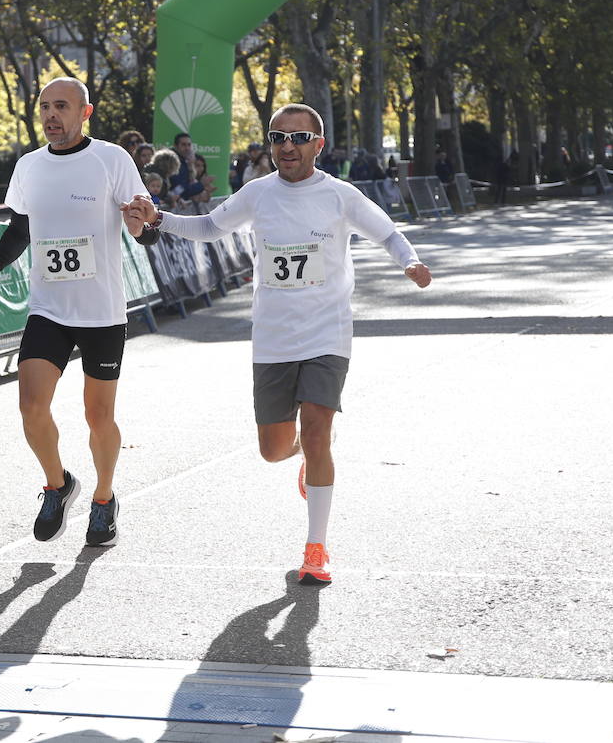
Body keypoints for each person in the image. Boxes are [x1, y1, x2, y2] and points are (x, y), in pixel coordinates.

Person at [126, 104, 432, 585]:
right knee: (273, 449)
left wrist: (410, 263)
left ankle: (316, 548)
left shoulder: (340, 196)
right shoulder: (257, 194)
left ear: (318, 145)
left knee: (316, 429)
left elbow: (388, 233)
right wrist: (159, 218)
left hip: (327, 333)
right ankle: (307, 457)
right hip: (272, 337)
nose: (287, 146)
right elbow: (208, 227)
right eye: (278, 137)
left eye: (299, 137)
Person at [0, 77, 150, 548]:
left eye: (62, 107)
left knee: (98, 416)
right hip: (48, 309)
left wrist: (142, 224)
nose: (51, 115)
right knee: (31, 407)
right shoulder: (29, 166)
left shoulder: (112, 159)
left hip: (102, 312)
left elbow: (144, 225)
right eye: (45, 107)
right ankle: (58, 484)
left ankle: (104, 499)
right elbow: (20, 228)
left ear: (84, 113)